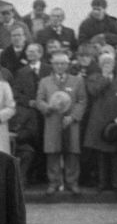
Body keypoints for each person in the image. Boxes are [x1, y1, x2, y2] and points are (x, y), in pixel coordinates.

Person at [36, 51, 87, 194]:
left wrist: (73, 117)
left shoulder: (77, 80)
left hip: (71, 123)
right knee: (52, 152)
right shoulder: (45, 81)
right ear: (52, 65)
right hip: (52, 121)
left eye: (63, 63)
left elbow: (82, 101)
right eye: (57, 63)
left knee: (72, 152)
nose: (60, 66)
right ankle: (54, 182)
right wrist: (48, 107)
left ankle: (72, 182)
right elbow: (39, 101)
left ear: (68, 64)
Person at [83, 53, 117, 191]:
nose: (107, 64)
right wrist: (105, 78)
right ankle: (102, 183)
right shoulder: (93, 78)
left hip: (116, 122)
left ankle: (116, 184)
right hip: (98, 122)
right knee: (101, 154)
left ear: (114, 64)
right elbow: (94, 92)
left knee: (115, 154)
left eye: (110, 62)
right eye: (104, 62)